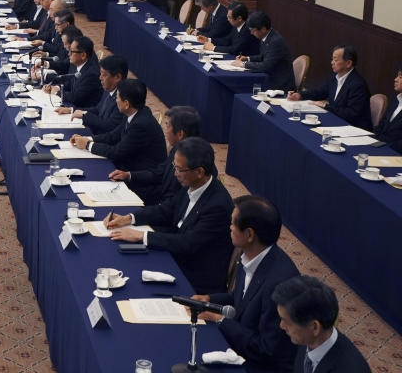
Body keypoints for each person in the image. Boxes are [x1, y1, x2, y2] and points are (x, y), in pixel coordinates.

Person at [105, 136, 235, 294]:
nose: (175, 173)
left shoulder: (218, 206)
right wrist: (129, 218)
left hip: (194, 277)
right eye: (174, 166)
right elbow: (166, 209)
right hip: (177, 256)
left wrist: (141, 236)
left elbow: (188, 243)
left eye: (179, 169)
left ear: (200, 171)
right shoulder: (192, 184)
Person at [190, 195, 299, 372]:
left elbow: (265, 349)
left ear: (249, 234)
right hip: (239, 346)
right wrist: (209, 299)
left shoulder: (279, 284)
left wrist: (219, 319)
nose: (230, 227)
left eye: (233, 223)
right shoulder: (250, 255)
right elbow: (240, 299)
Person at [69, 79, 168, 189]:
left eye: (117, 97)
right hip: (127, 166)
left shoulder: (141, 124)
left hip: (141, 182)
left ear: (126, 104)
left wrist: (88, 145)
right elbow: (113, 136)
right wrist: (87, 139)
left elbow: (117, 152)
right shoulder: (135, 112)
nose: (116, 100)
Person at [271, 276, 371, 372]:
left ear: (314, 327)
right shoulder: (306, 339)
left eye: (287, 322)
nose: (282, 326)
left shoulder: (351, 369)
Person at [108, 105, 199, 205]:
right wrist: (128, 175)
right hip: (158, 196)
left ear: (180, 134)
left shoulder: (191, 164)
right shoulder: (179, 148)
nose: (165, 131)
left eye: (167, 126)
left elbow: (170, 200)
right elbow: (160, 172)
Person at [287, 45, 371, 130]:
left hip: (353, 129)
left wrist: (326, 106)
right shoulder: (335, 77)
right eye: (332, 59)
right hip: (338, 122)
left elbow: (352, 114)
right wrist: (300, 95)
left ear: (348, 63)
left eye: (336, 60)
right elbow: (319, 92)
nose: (332, 62)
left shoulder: (357, 84)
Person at [61, 54, 128, 134]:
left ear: (117, 77)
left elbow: (108, 126)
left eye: (104, 75)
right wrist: (72, 110)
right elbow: (98, 110)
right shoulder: (109, 89)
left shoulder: (123, 99)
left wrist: (84, 115)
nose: (100, 78)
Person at [234, 11, 296, 92]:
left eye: (253, 30)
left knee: (243, 87)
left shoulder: (275, 42)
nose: (251, 33)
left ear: (263, 29)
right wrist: (247, 58)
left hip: (280, 86)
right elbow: (263, 56)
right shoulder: (267, 36)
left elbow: (265, 66)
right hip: (270, 78)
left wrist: (243, 64)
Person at [44, 35, 102, 110]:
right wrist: (56, 87)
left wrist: (56, 93)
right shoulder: (76, 65)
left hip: (82, 111)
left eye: (72, 52)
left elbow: (76, 98)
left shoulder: (91, 74)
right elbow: (69, 83)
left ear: (83, 55)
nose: (68, 54)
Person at [374, 64, 402, 152]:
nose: (395, 79)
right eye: (397, 76)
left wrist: (385, 147)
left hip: (395, 152)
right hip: (381, 145)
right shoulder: (395, 99)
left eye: (400, 77)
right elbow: (381, 124)